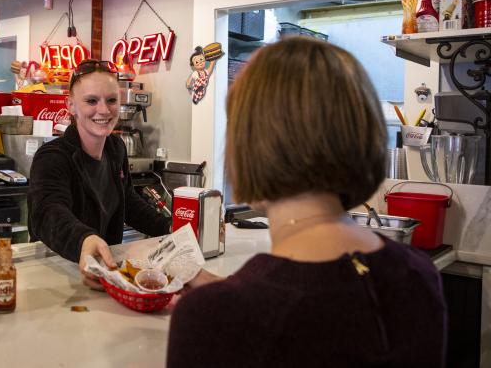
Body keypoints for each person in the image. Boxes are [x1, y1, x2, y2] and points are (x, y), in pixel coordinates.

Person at [167, 37, 447, 367]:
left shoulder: (214, 317)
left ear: (254, 144)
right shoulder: (419, 273)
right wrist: (233, 289)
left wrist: (228, 299)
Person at [28, 60, 171, 289]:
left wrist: (171, 229)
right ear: (71, 105)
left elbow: (129, 202)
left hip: (103, 268)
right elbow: (47, 212)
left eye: (111, 100)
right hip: (57, 269)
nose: (104, 110)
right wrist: (84, 239)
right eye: (91, 101)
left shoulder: (115, 148)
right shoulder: (52, 156)